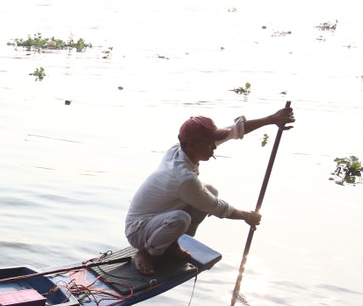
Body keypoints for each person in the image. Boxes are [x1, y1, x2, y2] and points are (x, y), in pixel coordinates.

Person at [124, 105, 295, 275]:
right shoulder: (182, 177)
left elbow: (236, 130)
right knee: (181, 218)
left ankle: (171, 243)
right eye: (209, 143)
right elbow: (216, 207)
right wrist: (246, 216)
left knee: (210, 190)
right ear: (192, 144)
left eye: (213, 142)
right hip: (138, 230)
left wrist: (271, 119)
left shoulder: (183, 148)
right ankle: (145, 252)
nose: (214, 148)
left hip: (158, 217)